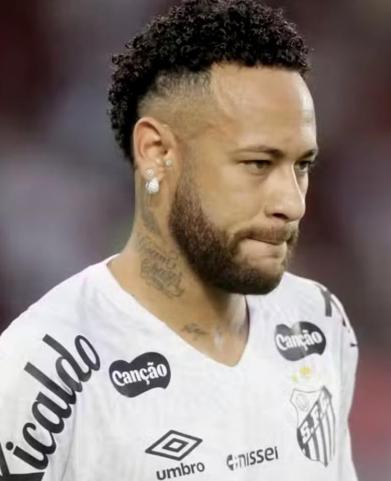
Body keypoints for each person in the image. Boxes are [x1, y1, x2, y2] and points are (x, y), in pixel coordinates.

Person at [0, 1, 359, 479]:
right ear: (156, 152)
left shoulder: (318, 322)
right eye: (257, 163)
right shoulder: (41, 368)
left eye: (302, 165)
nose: (293, 204)